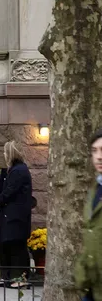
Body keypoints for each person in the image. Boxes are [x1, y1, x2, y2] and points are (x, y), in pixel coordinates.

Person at [0, 141, 32, 288]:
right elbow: (4, 190)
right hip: (10, 216)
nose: (3, 154)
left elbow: (8, 192)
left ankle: (23, 279)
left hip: (17, 217)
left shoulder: (19, 171)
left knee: (18, 246)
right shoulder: (12, 170)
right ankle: (6, 277)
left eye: (5, 152)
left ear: (11, 153)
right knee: (2, 243)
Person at [75, 128, 102, 301]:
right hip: (91, 287)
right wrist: (81, 271)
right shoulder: (94, 190)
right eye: (94, 151)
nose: (99, 156)